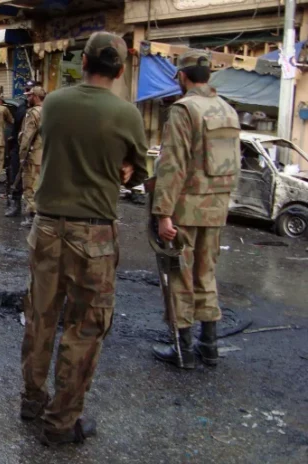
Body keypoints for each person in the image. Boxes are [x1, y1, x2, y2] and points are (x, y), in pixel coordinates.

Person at [20, 32, 148, 446]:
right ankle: (61, 423)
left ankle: (32, 400)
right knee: (85, 327)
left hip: (46, 227)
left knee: (40, 316)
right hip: (93, 234)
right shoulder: (127, 114)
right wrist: (125, 166)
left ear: (84, 62)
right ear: (121, 70)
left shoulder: (54, 103)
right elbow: (139, 171)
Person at [151, 50, 241, 369]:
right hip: (217, 207)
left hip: (186, 209)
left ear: (183, 76)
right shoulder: (228, 110)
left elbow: (173, 164)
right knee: (207, 273)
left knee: (180, 274)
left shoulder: (184, 109)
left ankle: (184, 349)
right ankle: (209, 345)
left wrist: (163, 213)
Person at [5, 80, 34, 218]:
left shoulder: (44, 110)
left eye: (30, 92)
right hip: (19, 147)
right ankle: (15, 204)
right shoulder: (22, 108)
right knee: (16, 176)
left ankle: (33, 212)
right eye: (27, 91)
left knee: (34, 180)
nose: (28, 95)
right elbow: (15, 129)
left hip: (36, 149)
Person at [18, 86, 46, 228]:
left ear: (35, 97)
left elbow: (27, 137)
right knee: (40, 186)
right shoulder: (50, 112)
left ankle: (31, 216)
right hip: (46, 156)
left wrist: (22, 156)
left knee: (29, 186)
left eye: (29, 96)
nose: (27, 98)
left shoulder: (32, 113)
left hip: (33, 155)